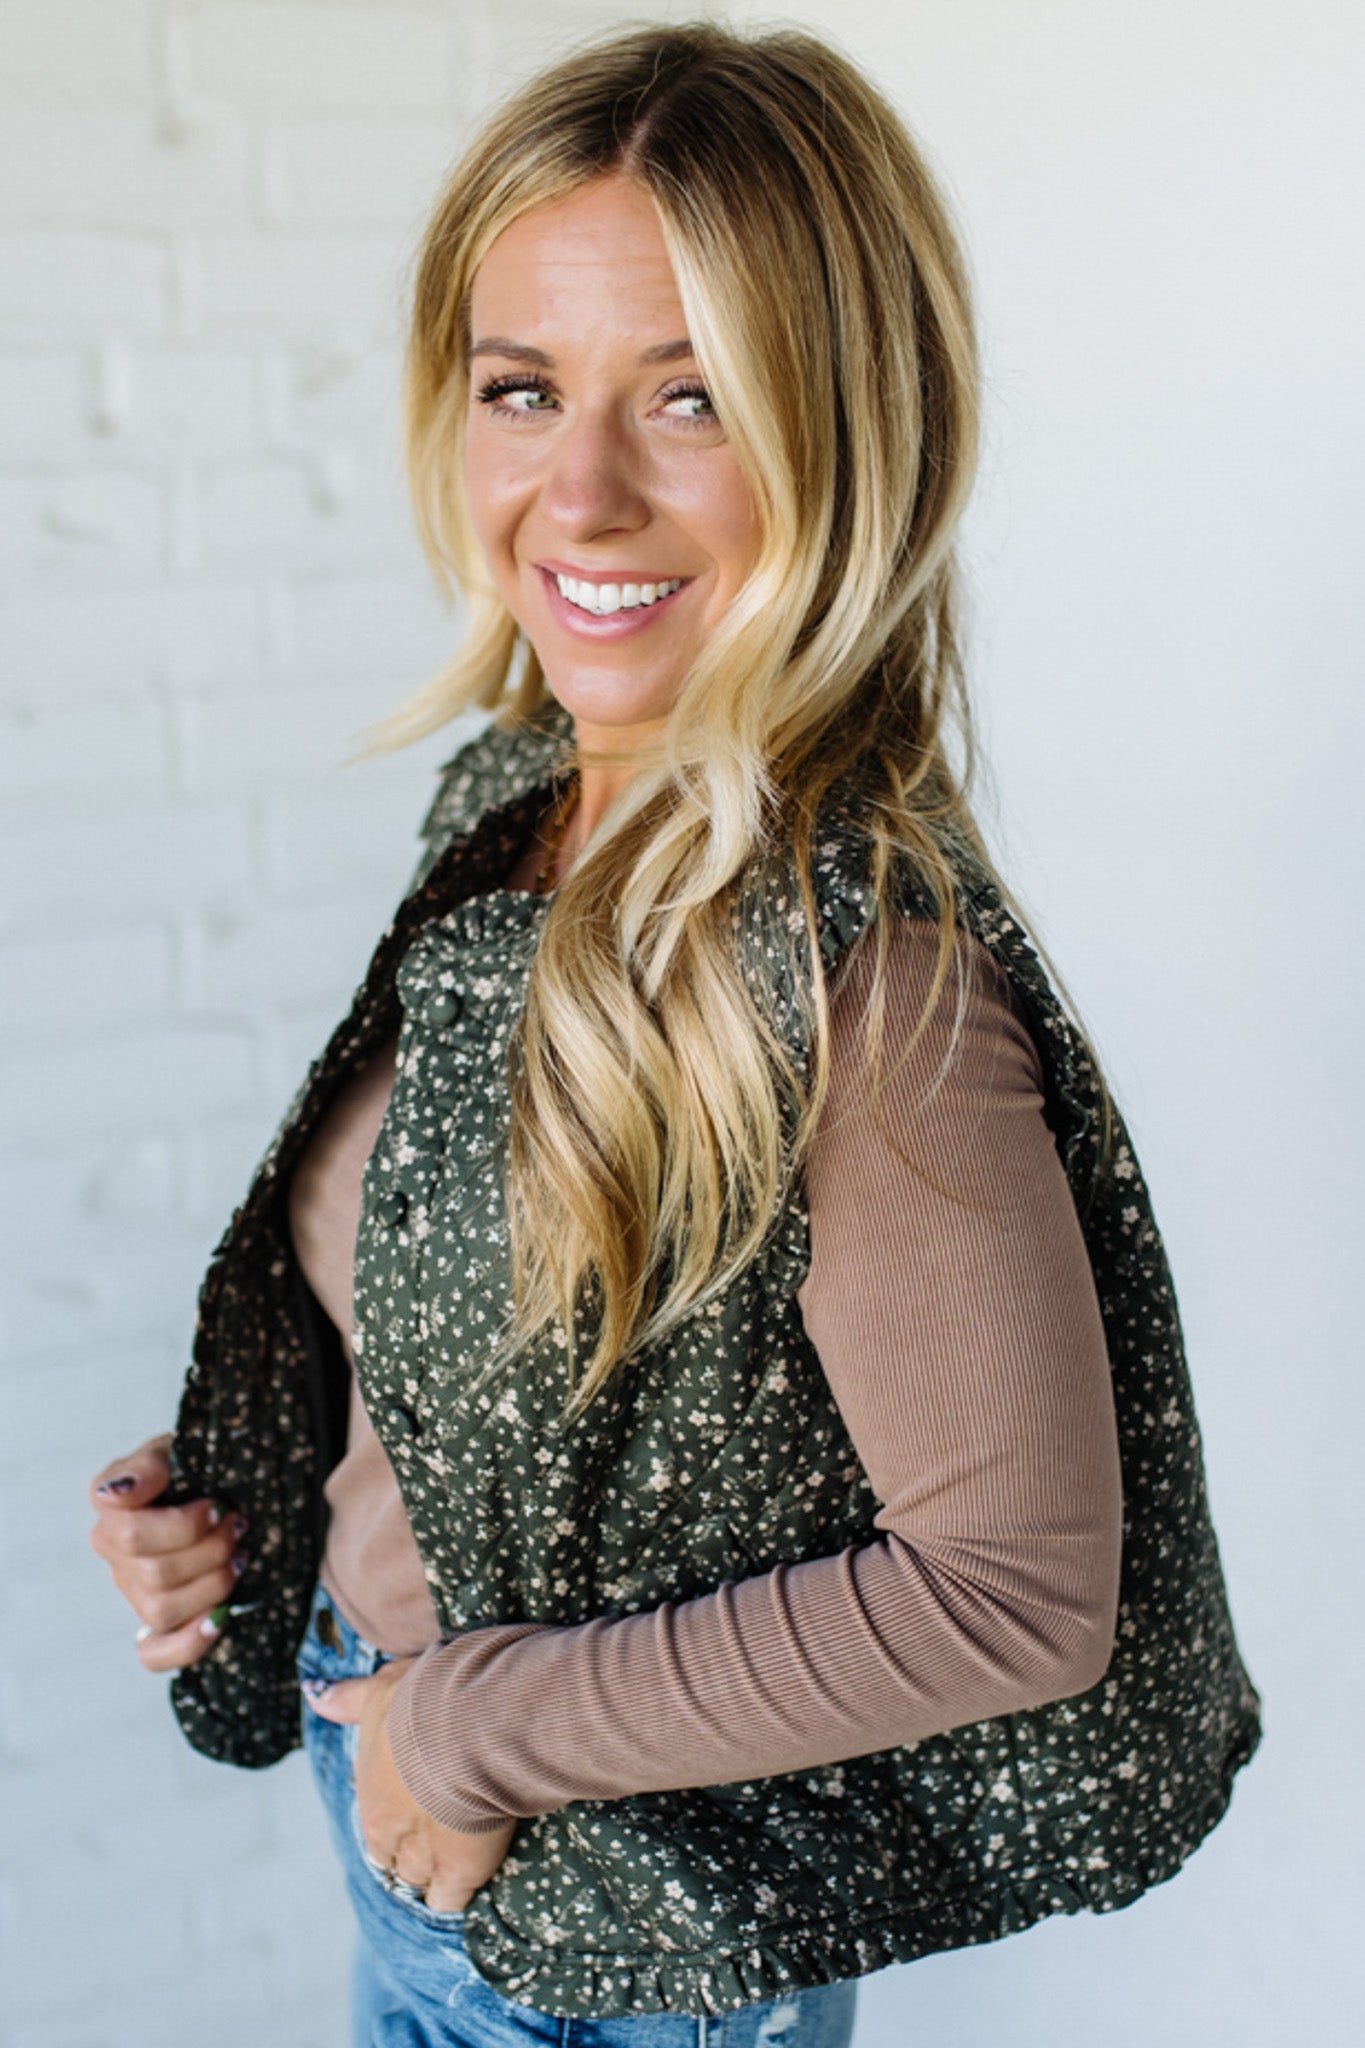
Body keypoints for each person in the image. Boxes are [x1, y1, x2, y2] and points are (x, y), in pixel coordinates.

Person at [88, 22, 1260, 2048]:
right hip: (413, 1799)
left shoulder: (863, 972)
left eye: (692, 398)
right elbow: (527, 1337)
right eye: (521, 388)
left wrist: (473, 1727)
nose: (581, 490)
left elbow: (1014, 1588)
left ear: (847, 428)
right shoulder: (519, 791)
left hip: (608, 1949)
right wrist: (266, 1499)